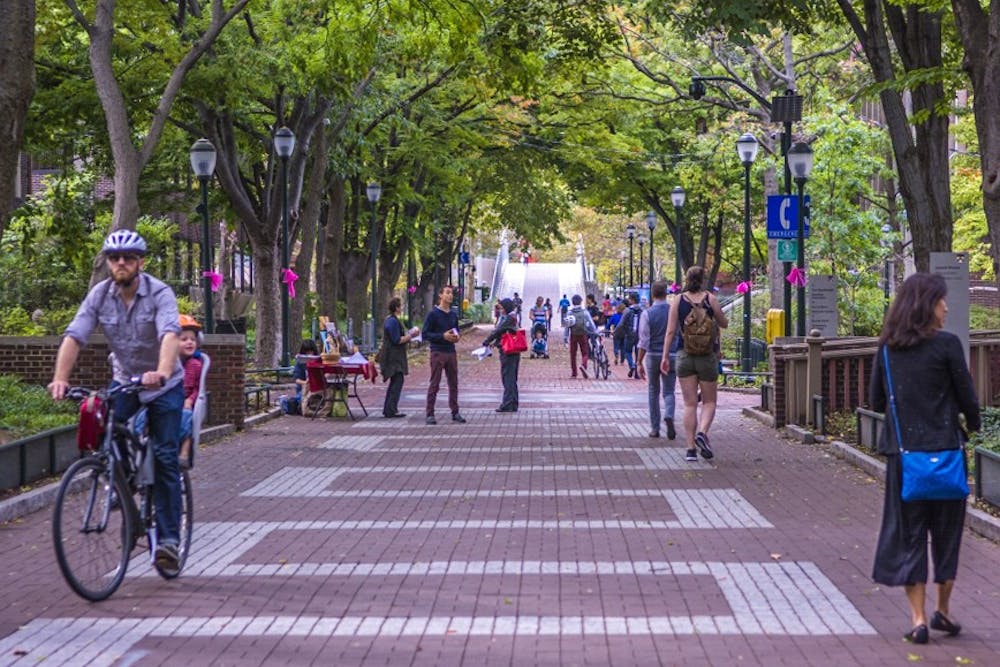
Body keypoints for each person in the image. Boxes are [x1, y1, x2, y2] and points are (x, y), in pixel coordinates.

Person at [49, 230, 185, 575]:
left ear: (140, 262)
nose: (120, 263)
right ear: (109, 262)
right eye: (114, 258)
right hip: (125, 380)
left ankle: (169, 540)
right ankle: (120, 480)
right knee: (106, 430)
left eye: (127, 257)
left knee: (166, 455)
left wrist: (163, 372)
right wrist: (61, 378)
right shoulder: (100, 295)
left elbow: (170, 334)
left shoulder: (159, 293)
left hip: (163, 384)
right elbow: (74, 335)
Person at [868, 272, 980, 644]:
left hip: (905, 459)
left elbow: (876, 402)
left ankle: (917, 619)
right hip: (946, 455)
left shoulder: (887, 349)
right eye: (940, 300)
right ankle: (942, 611)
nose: (946, 306)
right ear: (926, 305)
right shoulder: (948, 346)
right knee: (946, 536)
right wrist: (972, 424)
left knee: (910, 535)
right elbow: (968, 401)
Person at [660, 266, 728, 462]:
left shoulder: (678, 301)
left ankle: (690, 449)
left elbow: (671, 331)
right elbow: (723, 323)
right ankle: (703, 433)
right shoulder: (710, 299)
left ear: (686, 279)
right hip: (708, 357)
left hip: (685, 355)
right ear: (703, 279)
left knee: (689, 403)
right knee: (709, 401)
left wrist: (665, 356)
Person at [636, 281, 678, 439]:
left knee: (653, 391)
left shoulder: (647, 313)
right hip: (672, 354)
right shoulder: (674, 311)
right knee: (669, 390)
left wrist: (639, 361)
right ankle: (669, 414)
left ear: (652, 294)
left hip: (653, 355)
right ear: (666, 293)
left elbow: (644, 340)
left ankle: (655, 428)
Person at [421, 285, 466, 425]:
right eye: (447, 293)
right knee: (435, 383)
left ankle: (455, 411)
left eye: (451, 293)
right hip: (437, 351)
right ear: (440, 295)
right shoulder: (433, 314)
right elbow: (425, 334)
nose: (450, 296)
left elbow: (456, 330)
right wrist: (442, 336)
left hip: (451, 351)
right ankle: (430, 413)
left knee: (454, 383)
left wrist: (456, 337)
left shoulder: (453, 314)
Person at [381, 297, 418, 418]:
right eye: (400, 306)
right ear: (396, 308)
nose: (401, 308)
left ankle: (390, 408)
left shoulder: (391, 320)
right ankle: (390, 409)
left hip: (394, 356)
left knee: (396, 381)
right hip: (393, 357)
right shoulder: (392, 321)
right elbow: (397, 340)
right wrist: (411, 335)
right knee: (397, 380)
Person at [482, 298, 521, 412]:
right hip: (514, 351)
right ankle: (513, 403)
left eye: (502, 308)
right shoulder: (513, 317)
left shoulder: (509, 318)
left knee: (507, 377)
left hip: (508, 351)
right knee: (512, 378)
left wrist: (487, 341)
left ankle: (507, 403)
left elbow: (498, 330)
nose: (501, 310)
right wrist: (495, 342)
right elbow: (504, 332)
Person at [176, 315, 205, 468]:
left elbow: (198, 388)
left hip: (186, 402)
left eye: (192, 339)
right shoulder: (169, 363)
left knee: (187, 417)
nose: (189, 342)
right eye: (184, 339)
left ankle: (185, 452)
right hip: (170, 400)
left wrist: (190, 400)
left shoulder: (195, 364)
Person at [565, 294, 597, 378]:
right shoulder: (585, 312)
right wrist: (595, 332)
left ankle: (574, 372)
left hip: (573, 335)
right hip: (583, 334)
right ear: (581, 301)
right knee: (585, 352)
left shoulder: (570, 312)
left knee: (573, 354)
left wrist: (565, 337)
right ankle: (584, 365)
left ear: (572, 302)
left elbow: (567, 326)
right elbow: (591, 325)